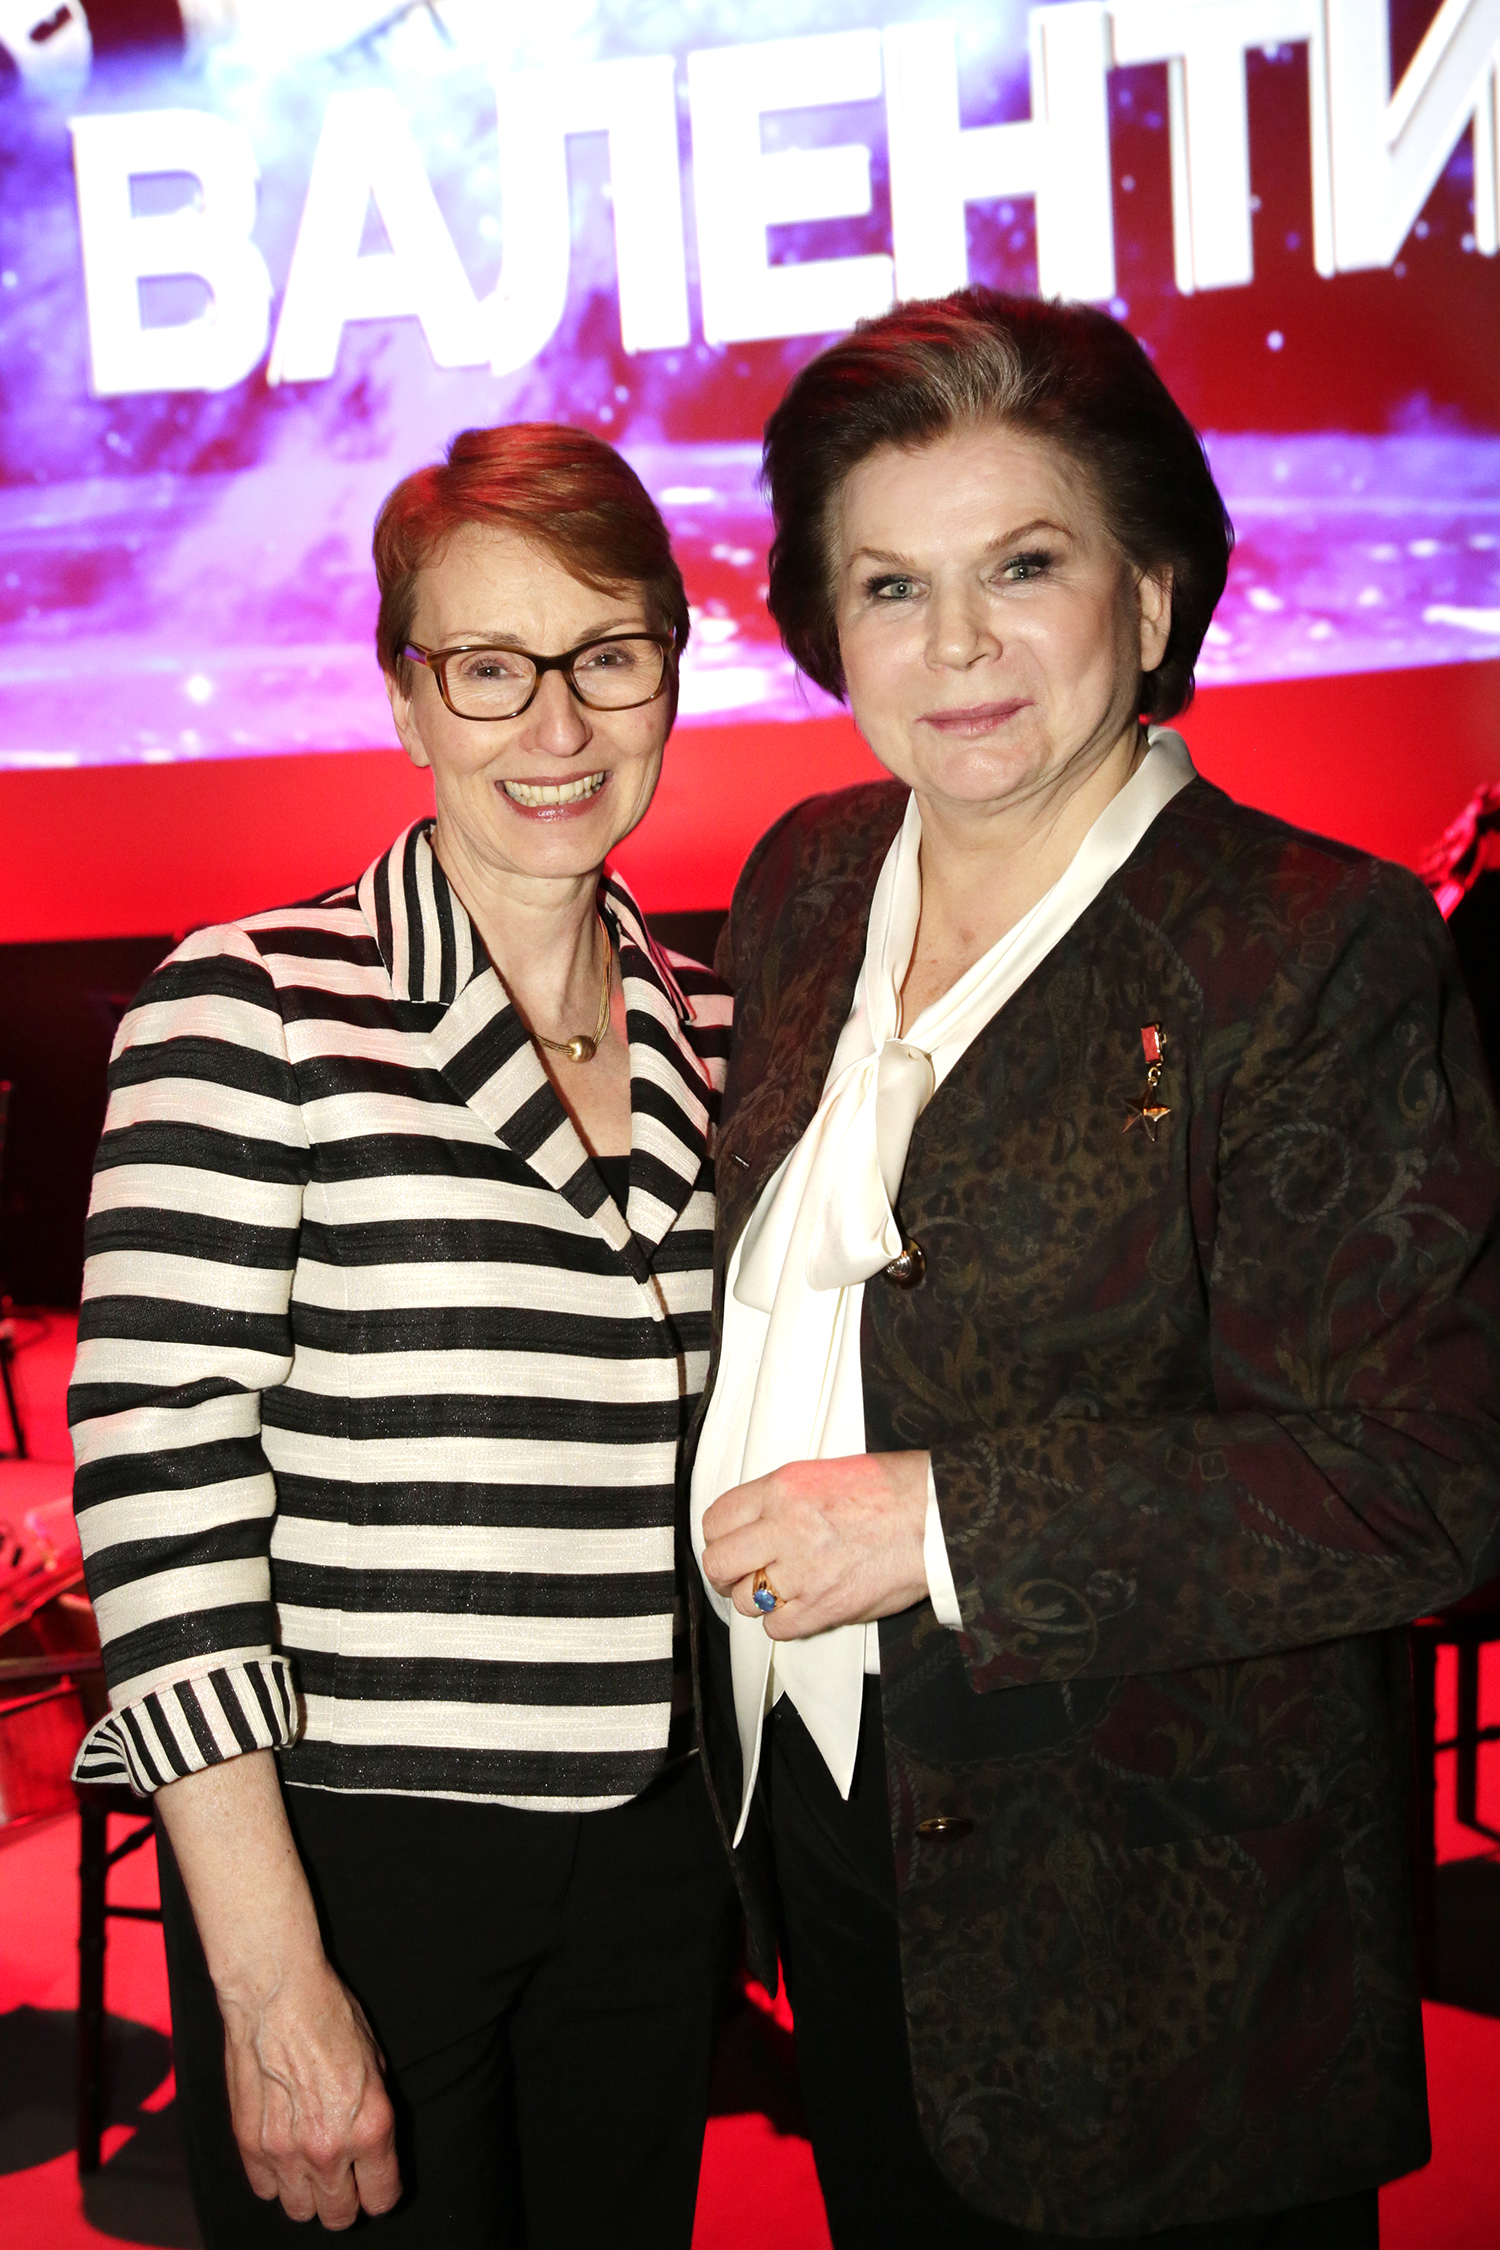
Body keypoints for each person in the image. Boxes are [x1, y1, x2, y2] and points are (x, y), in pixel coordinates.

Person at [691, 291, 1500, 2249]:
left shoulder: (1309, 947)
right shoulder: (803, 880)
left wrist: (939, 1523)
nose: (956, 645)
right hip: (833, 1823)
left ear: (1150, 593)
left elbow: (1427, 1478)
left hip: (1156, 1930)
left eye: (1025, 566)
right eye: (892, 585)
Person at [69, 423, 737, 2247]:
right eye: (490, 666)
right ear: (406, 695)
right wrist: (271, 1977)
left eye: (609, 655)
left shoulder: (723, 1025)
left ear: (672, 671)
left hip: (657, 1846)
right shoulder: (251, 1005)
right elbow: (162, 1511)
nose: (558, 722)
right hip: (358, 1859)